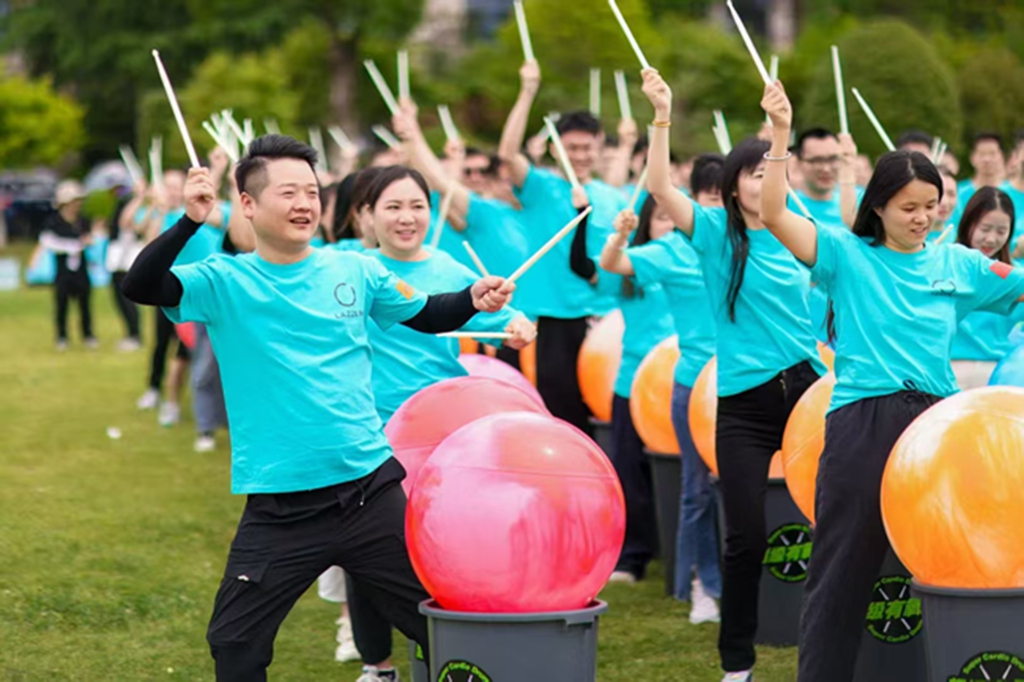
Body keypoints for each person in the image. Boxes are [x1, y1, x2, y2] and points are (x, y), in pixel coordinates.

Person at [120, 135, 515, 682]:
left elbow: (425, 312)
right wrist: (189, 222)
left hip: (368, 492)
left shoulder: (354, 269)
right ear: (250, 204)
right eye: (289, 192)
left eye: (311, 191)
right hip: (279, 507)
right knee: (233, 642)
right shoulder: (223, 280)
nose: (305, 203)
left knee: (441, 621)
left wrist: (473, 298)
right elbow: (141, 285)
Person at [759, 79, 1024, 682]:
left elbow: (1018, 285)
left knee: (955, 556)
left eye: (931, 206)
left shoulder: (959, 263)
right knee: (842, 570)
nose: (923, 219)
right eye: (909, 207)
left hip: (939, 428)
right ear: (877, 205)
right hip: (862, 423)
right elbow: (773, 213)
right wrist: (779, 134)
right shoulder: (844, 254)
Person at [641, 69, 826, 682]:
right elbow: (659, 186)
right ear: (732, 183)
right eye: (751, 171)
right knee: (745, 536)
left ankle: (825, 643)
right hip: (742, 406)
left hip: (805, 391)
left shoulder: (799, 234)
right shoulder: (716, 234)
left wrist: (781, 132)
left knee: (833, 523)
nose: (762, 181)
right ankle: (736, 664)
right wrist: (662, 113)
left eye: (768, 170)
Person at [599, 192, 719, 622]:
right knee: (633, 472)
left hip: (688, 378)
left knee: (691, 481)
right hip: (636, 382)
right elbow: (603, 268)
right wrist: (619, 237)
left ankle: (692, 571)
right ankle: (635, 558)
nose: (670, 224)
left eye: (676, 217)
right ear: (648, 222)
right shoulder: (644, 264)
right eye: (662, 217)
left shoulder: (703, 258)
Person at [497, 59, 624, 435]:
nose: (581, 155)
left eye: (588, 147)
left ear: (600, 148)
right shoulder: (541, 188)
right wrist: (527, 92)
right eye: (572, 148)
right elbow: (507, 155)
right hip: (553, 320)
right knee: (560, 418)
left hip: (602, 321)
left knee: (602, 418)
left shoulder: (612, 196)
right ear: (556, 150)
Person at [951, 187, 1023, 388]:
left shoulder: (1014, 276)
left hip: (1001, 375)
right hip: (951, 371)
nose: (991, 239)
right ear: (968, 224)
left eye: (1001, 231)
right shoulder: (948, 263)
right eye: (985, 229)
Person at [40, 180, 96, 351]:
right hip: (63, 270)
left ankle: (88, 335)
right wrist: (74, 244)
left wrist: (85, 243)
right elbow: (48, 242)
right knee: (61, 304)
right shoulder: (54, 222)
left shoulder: (83, 221)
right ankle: (62, 336)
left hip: (81, 268)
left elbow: (89, 239)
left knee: (85, 304)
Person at [107, 182, 147, 351]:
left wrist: (141, 197)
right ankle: (131, 334)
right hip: (118, 261)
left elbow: (127, 221)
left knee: (127, 300)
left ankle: (134, 335)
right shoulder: (124, 204)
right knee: (118, 299)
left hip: (127, 261)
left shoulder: (141, 209)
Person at [956, 132, 1007, 215]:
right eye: (981, 154)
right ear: (972, 158)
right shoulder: (958, 192)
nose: (986, 159)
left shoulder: (1013, 192)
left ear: (1002, 156)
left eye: (992, 154)